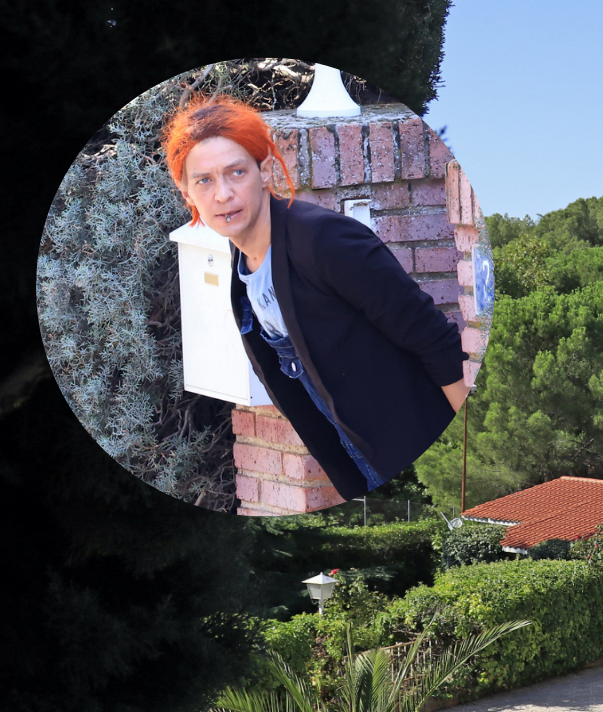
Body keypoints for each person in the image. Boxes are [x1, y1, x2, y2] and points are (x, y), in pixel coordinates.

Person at [163, 95, 470, 502]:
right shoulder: (241, 265)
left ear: (265, 171)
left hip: (421, 451)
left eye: (236, 172)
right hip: (359, 464)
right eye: (204, 180)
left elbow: (437, 343)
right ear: (187, 193)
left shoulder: (325, 241)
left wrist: (465, 464)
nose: (222, 194)